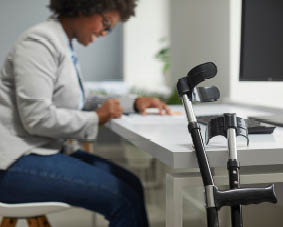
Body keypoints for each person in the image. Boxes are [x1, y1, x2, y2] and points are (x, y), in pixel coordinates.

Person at [0, 0, 171, 226]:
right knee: (123, 198)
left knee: (132, 183)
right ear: (84, 7)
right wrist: (97, 118)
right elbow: (37, 118)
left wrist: (134, 103)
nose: (105, 32)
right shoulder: (39, 44)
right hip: (12, 164)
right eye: (106, 23)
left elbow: (83, 100)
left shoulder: (63, 43)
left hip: (40, 153)